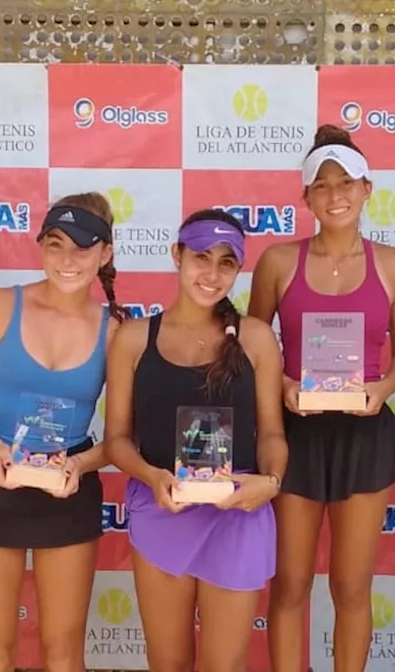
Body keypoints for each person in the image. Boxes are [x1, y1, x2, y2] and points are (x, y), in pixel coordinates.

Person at [248, 124, 395, 671]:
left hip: (364, 433)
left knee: (350, 585)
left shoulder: (394, 265)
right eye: (322, 185)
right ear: (305, 198)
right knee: (291, 582)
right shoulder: (277, 261)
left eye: (347, 182)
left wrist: (381, 389)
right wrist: (284, 386)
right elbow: (252, 348)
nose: (336, 194)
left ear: (368, 188)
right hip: (295, 434)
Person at [0, 193, 126, 672]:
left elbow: (127, 435)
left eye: (83, 248)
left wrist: (81, 464)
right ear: (40, 245)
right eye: (56, 244)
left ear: (105, 253)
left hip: (69, 487)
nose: (67, 260)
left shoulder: (116, 333)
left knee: (63, 654)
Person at [104, 209, 288, 672]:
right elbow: (116, 441)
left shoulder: (257, 339)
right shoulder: (132, 339)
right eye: (201, 257)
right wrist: (151, 476)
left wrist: (271, 481)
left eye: (226, 262)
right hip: (162, 508)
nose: (211, 273)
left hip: (237, 513)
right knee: (167, 663)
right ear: (176, 256)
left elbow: (271, 434)